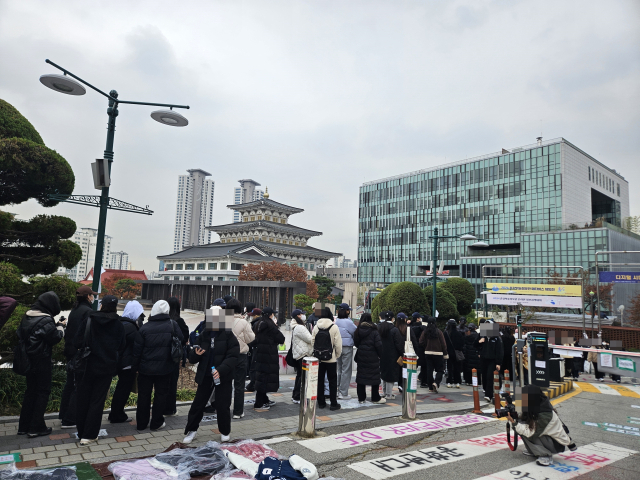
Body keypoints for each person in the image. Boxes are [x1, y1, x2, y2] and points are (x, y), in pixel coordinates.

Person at [183, 307, 240, 444]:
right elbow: (192, 356)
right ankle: (191, 430)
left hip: (222, 376)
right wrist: (195, 354)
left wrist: (221, 369)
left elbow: (233, 355)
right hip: (206, 374)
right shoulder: (204, 334)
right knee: (198, 404)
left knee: (223, 404)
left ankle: (225, 431)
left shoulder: (228, 334)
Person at [74, 295, 125, 445]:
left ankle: (81, 431)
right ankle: (89, 435)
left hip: (86, 365)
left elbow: (77, 341)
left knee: (83, 399)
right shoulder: (118, 324)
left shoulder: (90, 319)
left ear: (101, 305)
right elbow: (121, 346)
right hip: (106, 367)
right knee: (97, 401)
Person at [17, 291, 65, 438]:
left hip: (28, 361)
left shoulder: (27, 316)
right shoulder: (46, 320)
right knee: (43, 392)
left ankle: (23, 427)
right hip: (41, 360)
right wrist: (61, 327)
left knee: (30, 392)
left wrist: (54, 325)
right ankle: (36, 428)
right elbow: (54, 338)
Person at [133, 299, 184, 431]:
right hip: (165, 368)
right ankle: (157, 422)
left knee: (144, 395)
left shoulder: (144, 328)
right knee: (161, 395)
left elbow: (137, 351)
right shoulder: (173, 325)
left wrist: (136, 367)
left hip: (145, 369)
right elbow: (181, 341)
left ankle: (141, 424)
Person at [507, 385, 575, 466]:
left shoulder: (544, 415)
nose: (521, 401)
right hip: (547, 439)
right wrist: (510, 411)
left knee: (526, 431)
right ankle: (535, 451)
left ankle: (546, 456)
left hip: (555, 444)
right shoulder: (537, 406)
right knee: (521, 426)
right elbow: (521, 419)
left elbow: (530, 433)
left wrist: (513, 422)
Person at [59, 286, 96, 429]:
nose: (93, 297)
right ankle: (70, 419)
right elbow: (87, 334)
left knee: (70, 384)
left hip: (70, 350)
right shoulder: (88, 312)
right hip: (79, 353)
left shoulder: (74, 310)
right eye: (92, 295)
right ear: (88, 297)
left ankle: (63, 414)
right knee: (78, 385)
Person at [108, 300, 142, 424]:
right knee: (123, 390)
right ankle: (117, 414)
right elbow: (136, 346)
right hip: (127, 364)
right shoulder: (131, 327)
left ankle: (115, 413)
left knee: (120, 389)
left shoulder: (120, 323)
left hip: (118, 361)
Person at [226, 299, 255, 419]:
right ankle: (238, 412)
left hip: (225, 357)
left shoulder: (221, 320)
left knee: (225, 385)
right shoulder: (244, 323)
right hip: (240, 356)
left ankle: (223, 409)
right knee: (239, 385)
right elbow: (251, 338)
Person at [254, 307, 285, 410]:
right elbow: (281, 339)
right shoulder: (271, 326)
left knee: (262, 377)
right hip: (269, 355)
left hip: (260, 354)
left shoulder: (259, 324)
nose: (274, 316)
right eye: (273, 314)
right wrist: (276, 326)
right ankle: (259, 403)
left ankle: (264, 399)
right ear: (269, 315)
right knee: (264, 379)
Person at [312, 307, 342, 410]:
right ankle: (333, 403)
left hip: (319, 359)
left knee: (319, 380)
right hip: (331, 359)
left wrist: (316, 354)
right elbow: (338, 345)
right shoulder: (334, 327)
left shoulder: (316, 327)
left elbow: (312, 342)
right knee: (332, 381)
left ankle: (321, 403)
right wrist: (336, 355)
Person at [165, 297, 189, 416]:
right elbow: (185, 337)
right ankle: (170, 409)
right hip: (174, 357)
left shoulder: (162, 320)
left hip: (161, 356)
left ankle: (160, 407)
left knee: (162, 383)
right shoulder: (179, 321)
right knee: (172, 382)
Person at [353, 313, 385, 404]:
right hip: (373, 356)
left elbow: (356, 343)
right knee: (374, 377)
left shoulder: (358, 330)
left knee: (361, 376)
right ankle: (375, 397)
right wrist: (380, 355)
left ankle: (361, 398)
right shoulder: (374, 330)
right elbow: (379, 345)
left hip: (361, 356)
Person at [474, 321, 504, 402]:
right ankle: (486, 390)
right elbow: (475, 344)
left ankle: (489, 395)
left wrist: (498, 362)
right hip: (483, 359)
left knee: (489, 376)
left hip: (492, 360)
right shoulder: (481, 335)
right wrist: (479, 342)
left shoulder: (496, 338)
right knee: (484, 376)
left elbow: (499, 351)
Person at [378, 311, 403, 399]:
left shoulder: (380, 327)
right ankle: (389, 394)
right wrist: (402, 353)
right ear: (392, 319)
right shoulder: (394, 329)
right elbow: (399, 344)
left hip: (382, 354)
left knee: (383, 373)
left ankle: (384, 393)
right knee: (391, 374)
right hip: (393, 355)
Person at [419, 317, 448, 393]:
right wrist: (445, 353)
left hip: (428, 353)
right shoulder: (439, 332)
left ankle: (430, 386)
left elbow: (421, 341)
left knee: (429, 370)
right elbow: (443, 344)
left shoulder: (425, 332)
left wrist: (426, 346)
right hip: (438, 353)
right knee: (440, 370)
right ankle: (436, 382)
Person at [290, 309, 313, 403]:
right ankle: (297, 396)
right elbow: (310, 339)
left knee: (299, 375)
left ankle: (295, 395)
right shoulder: (300, 327)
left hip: (299, 354)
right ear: (298, 316)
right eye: (302, 314)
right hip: (303, 354)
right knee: (302, 377)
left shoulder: (296, 326)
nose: (304, 316)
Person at [335, 303, 357, 399]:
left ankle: (337, 389)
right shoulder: (348, 322)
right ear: (346, 311)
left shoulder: (337, 321)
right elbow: (355, 332)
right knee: (346, 370)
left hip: (337, 347)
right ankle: (343, 392)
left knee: (339, 369)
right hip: (347, 347)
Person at [244, 307, 262, 392]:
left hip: (254, 348)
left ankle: (252, 384)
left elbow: (254, 338)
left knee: (253, 367)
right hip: (255, 348)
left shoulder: (256, 323)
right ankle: (253, 384)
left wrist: (249, 344)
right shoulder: (258, 322)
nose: (252, 317)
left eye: (253, 315)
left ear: (256, 315)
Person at [444, 319, 464, 388]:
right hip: (457, 353)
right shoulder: (459, 333)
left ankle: (449, 381)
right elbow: (462, 344)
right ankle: (457, 382)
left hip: (449, 353)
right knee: (457, 368)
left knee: (449, 368)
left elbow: (444, 344)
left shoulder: (446, 333)